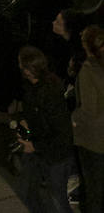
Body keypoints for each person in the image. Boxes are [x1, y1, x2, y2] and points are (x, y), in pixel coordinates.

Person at [15, 45, 74, 213]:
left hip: (55, 156)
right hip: (38, 147)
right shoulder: (32, 86)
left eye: (20, 63)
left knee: (56, 200)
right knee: (27, 191)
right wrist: (27, 122)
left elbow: (61, 134)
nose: (18, 66)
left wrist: (35, 146)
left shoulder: (50, 93)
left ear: (28, 69)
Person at [72, 25, 104, 213]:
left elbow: (89, 111)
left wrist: (73, 117)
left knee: (93, 188)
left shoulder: (89, 71)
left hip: (94, 140)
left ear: (86, 46)